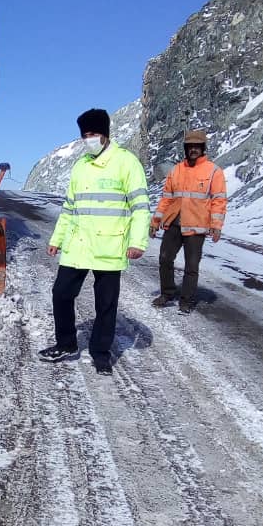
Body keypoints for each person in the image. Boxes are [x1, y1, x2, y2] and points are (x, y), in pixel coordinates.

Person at [39, 108, 150, 375]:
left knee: (106, 305)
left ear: (105, 134)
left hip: (110, 246)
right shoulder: (81, 166)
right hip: (78, 245)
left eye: (93, 134)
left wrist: (137, 242)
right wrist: (57, 239)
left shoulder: (126, 162)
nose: (88, 139)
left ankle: (101, 353)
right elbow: (69, 209)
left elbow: (141, 207)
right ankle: (66, 344)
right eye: (84, 135)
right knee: (61, 293)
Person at [150, 129, 227, 313]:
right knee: (165, 259)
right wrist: (155, 220)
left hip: (197, 227)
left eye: (197, 146)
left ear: (203, 148)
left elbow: (219, 200)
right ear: (185, 148)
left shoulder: (213, 171)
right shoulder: (176, 170)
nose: (193, 149)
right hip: (174, 223)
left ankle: (186, 300)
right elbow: (166, 198)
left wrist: (216, 226)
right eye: (190, 146)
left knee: (192, 266)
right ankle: (167, 293)